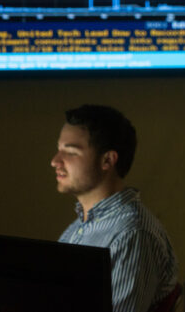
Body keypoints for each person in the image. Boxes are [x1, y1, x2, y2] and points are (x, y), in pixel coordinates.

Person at [52, 104, 178, 312]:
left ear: (107, 160)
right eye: (59, 150)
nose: (55, 161)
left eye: (71, 152)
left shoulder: (132, 234)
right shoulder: (79, 227)